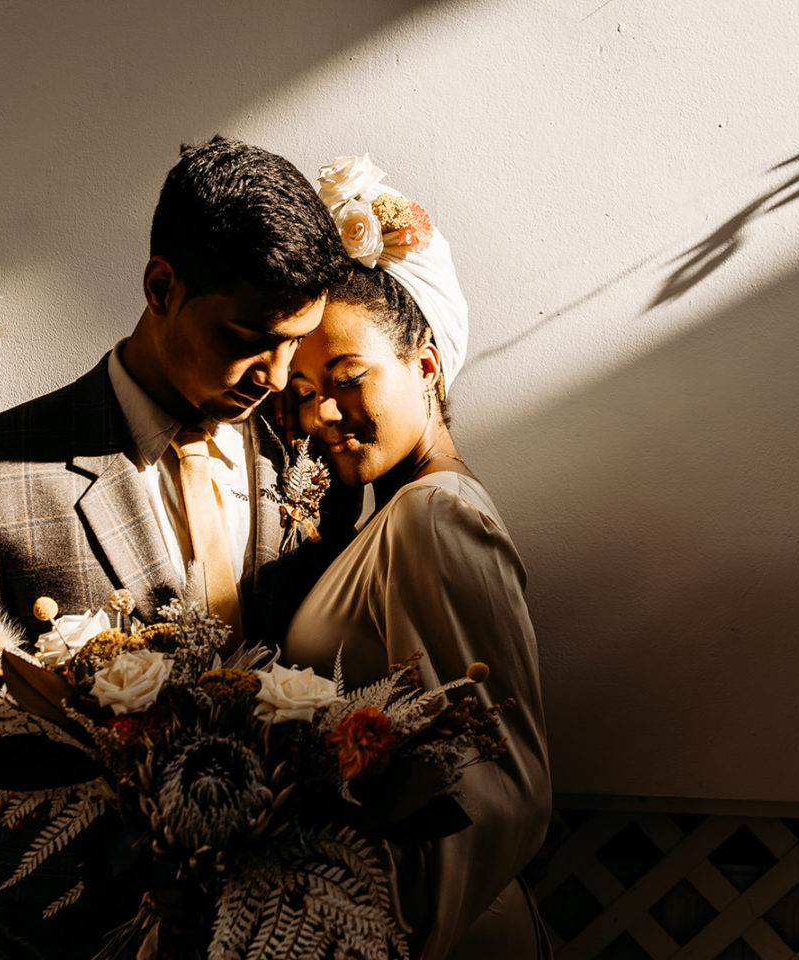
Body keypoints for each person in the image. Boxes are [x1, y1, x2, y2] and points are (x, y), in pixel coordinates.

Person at [0, 136, 349, 960]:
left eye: (295, 342)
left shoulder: (303, 454)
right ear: (161, 286)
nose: (276, 375)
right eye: (248, 336)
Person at [283, 155, 553, 959]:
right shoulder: (393, 518)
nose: (321, 413)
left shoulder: (435, 517)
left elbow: (502, 792)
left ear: (426, 364)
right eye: (301, 393)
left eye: (347, 377)